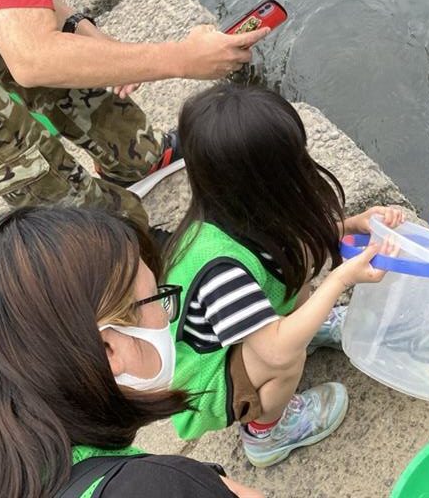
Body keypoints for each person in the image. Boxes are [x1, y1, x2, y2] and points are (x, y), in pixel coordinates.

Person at [0, 0, 269, 229]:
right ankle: (112, 244)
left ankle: (134, 159)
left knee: (69, 49)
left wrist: (82, 29)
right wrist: (182, 59)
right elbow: (32, 58)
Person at [163, 84, 403, 467]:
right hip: (203, 383)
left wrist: (356, 223)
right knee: (284, 358)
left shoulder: (239, 210)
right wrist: (340, 281)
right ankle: (266, 433)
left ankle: (309, 326)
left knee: (298, 253)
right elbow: (274, 350)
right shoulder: (220, 269)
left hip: (244, 337)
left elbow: (303, 237)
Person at [0, 206, 263, 498]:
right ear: (108, 348)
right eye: (156, 298)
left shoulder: (5, 471)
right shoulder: (155, 488)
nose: (166, 317)